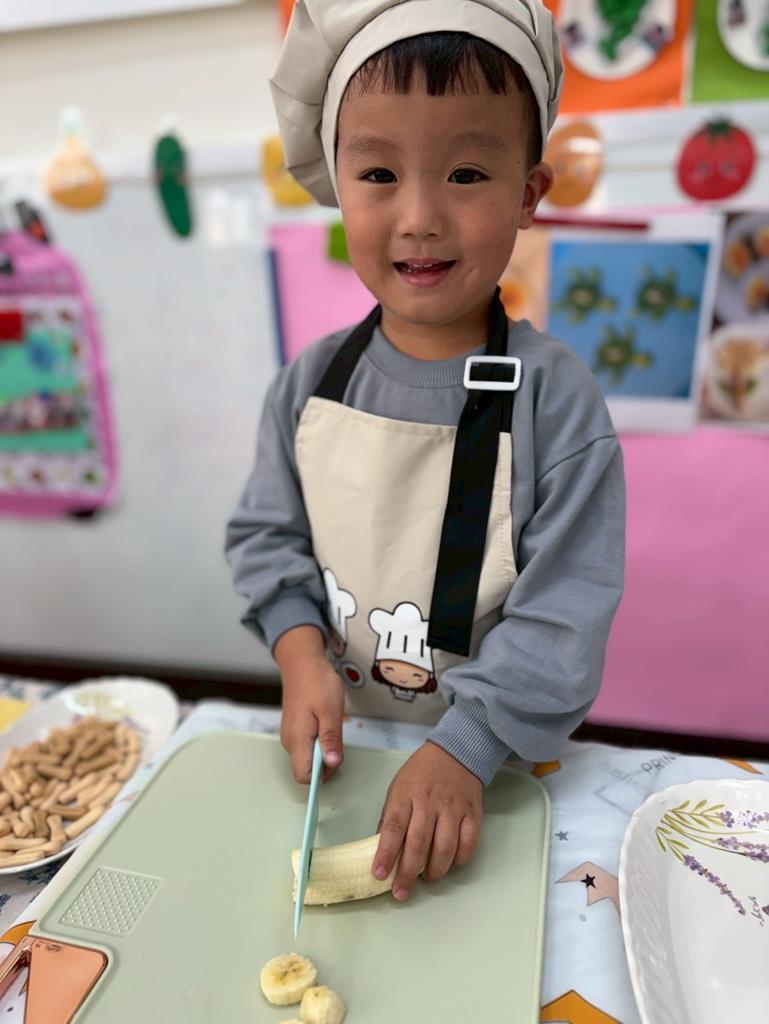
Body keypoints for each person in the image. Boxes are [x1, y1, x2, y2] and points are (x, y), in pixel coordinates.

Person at [226, 0, 625, 904]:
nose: (418, 217)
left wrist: (467, 747)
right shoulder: (308, 384)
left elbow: (563, 614)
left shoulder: (558, 404)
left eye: (466, 173)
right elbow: (265, 537)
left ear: (528, 194)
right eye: (377, 172)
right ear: (335, 182)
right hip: (346, 752)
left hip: (502, 766)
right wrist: (298, 653)